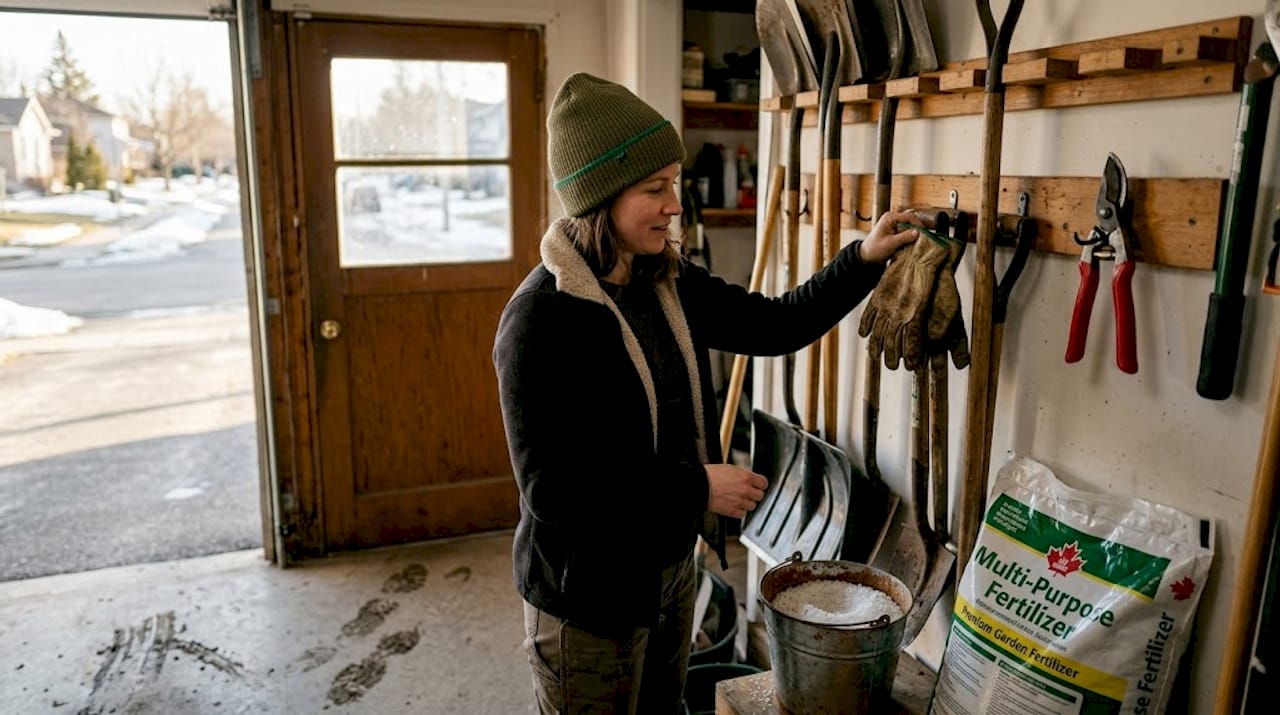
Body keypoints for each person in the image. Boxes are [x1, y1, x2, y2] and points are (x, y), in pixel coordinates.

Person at [492, 72, 920, 714]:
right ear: (599, 199)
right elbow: (554, 493)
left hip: (668, 573)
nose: (675, 205)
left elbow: (775, 323)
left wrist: (863, 257)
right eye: (654, 188)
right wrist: (697, 488)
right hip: (588, 599)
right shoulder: (541, 322)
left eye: (675, 184)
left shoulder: (663, 281)